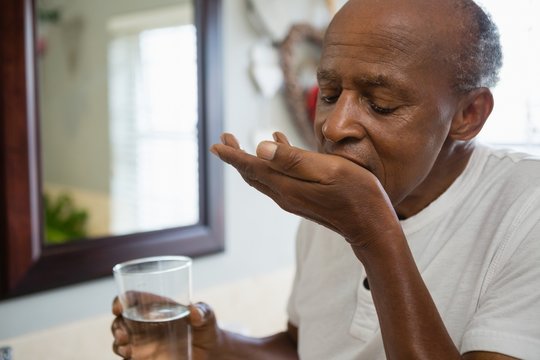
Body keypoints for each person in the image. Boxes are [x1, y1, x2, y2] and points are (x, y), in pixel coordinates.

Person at [112, 0, 540, 358]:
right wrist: (216, 345)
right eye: (329, 95)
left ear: (468, 115)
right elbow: (305, 347)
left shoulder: (526, 212)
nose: (334, 128)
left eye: (381, 103)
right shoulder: (336, 202)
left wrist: (373, 235)